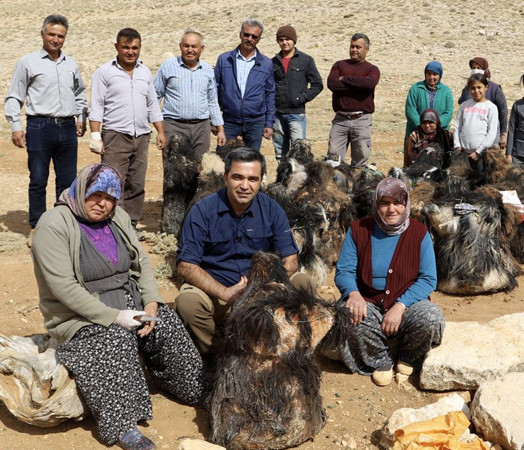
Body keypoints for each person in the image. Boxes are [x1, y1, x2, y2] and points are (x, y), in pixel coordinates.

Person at [30, 163, 208, 450]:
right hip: (78, 317)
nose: (103, 203)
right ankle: (123, 422)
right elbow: (64, 288)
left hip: (129, 304)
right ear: (81, 189)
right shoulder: (53, 225)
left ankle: (193, 387)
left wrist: (150, 299)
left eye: (111, 197)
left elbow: (142, 263)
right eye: (96, 195)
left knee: (166, 322)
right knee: (112, 340)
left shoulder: (118, 218)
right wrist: (113, 317)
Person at [174, 147, 308, 354]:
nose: (245, 186)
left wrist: (259, 288)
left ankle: (284, 352)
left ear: (261, 180)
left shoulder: (272, 210)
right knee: (188, 302)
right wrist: (225, 293)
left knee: (303, 283)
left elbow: (290, 261)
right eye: (238, 177)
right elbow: (186, 266)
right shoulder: (202, 211)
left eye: (252, 179)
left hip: (262, 291)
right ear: (225, 177)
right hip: (218, 292)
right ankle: (218, 357)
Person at [335, 177, 444, 386]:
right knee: (349, 315)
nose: (391, 209)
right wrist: (353, 293)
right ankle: (380, 361)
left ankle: (408, 356)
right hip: (369, 300)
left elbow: (428, 278)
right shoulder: (359, 229)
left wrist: (401, 306)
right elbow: (344, 271)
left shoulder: (419, 233)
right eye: (384, 203)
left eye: (398, 203)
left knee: (431, 317)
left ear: (406, 205)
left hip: (408, 303)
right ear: (376, 204)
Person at [5, 14, 87, 246]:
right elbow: (14, 96)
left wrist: (81, 118)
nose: (56, 39)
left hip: (68, 127)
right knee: (38, 179)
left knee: (68, 181)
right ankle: (37, 228)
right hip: (39, 127)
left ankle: (64, 227)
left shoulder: (70, 63)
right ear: (42, 34)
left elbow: (79, 93)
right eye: (51, 34)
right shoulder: (28, 62)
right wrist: (16, 127)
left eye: (60, 36)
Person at [89, 28, 165, 227]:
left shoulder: (145, 72)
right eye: (126, 47)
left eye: (135, 48)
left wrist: (161, 131)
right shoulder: (104, 72)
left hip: (141, 136)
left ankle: (130, 225)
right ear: (117, 47)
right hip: (115, 136)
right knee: (112, 182)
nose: (130, 52)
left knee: (136, 184)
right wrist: (96, 136)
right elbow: (96, 105)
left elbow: (152, 104)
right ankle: (112, 225)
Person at [154, 30, 226, 167]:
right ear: (180, 46)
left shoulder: (207, 70)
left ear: (201, 49)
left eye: (194, 46)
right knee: (173, 170)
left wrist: (220, 128)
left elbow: (212, 101)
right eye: (186, 46)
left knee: (198, 170)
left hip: (201, 128)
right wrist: (157, 128)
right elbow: (155, 96)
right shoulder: (168, 66)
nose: (190, 50)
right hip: (173, 126)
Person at [213, 19, 275, 152]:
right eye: (246, 35)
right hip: (229, 121)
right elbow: (214, 90)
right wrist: (214, 120)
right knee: (223, 159)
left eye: (254, 36)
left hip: (255, 122)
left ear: (258, 39)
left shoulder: (266, 63)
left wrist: (269, 123)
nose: (249, 39)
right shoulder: (224, 59)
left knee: (251, 161)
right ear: (240, 35)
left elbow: (270, 94)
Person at [326, 33, 380, 168]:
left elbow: (369, 84)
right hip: (340, 120)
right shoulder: (339, 65)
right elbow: (332, 84)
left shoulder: (372, 69)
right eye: (352, 46)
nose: (354, 50)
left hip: (361, 120)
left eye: (358, 47)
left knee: (360, 163)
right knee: (333, 162)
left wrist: (344, 79)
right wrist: (358, 87)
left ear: (366, 50)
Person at [272, 25, 323, 161]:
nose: (284, 42)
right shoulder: (273, 62)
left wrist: (301, 98)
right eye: (281, 39)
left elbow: (317, 84)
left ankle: (299, 181)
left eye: (288, 39)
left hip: (296, 114)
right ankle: (283, 180)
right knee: (280, 154)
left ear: (294, 40)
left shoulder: (306, 60)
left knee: (299, 153)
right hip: (277, 115)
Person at [453, 74, 499, 178]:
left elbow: (491, 132)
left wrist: (478, 152)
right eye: (473, 88)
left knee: (479, 182)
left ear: (486, 87)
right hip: (463, 154)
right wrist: (457, 146)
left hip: (481, 156)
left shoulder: (491, 107)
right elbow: (457, 127)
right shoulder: (464, 105)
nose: (476, 91)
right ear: (469, 89)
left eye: (479, 87)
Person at [457, 57, 508, 149]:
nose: (476, 70)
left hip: (489, 133)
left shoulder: (494, 88)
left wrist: (503, 133)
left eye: (478, 67)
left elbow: (503, 110)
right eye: (473, 67)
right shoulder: (468, 88)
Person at [404, 61, 453, 137]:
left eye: (435, 74)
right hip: (417, 133)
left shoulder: (446, 91)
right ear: (425, 74)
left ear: (440, 75)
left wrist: (435, 126)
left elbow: (448, 113)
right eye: (429, 73)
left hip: (439, 135)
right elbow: (410, 111)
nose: (431, 77)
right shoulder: (416, 88)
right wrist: (423, 126)